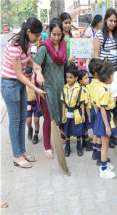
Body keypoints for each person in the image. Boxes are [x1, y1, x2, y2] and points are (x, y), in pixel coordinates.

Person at [1, 17, 46, 168]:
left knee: (21, 119)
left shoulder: (27, 43)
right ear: (28, 32)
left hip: (19, 84)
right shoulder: (15, 45)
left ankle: (22, 151)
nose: (37, 38)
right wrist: (37, 89)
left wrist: (36, 67)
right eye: (36, 35)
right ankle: (16, 156)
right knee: (14, 121)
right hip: (10, 85)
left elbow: (28, 61)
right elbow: (19, 74)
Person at [34, 18, 69, 159]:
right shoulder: (43, 47)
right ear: (49, 32)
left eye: (59, 34)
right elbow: (36, 65)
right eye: (54, 34)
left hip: (60, 87)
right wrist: (38, 73)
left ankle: (61, 137)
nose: (56, 38)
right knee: (48, 118)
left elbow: (65, 66)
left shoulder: (63, 46)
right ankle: (47, 147)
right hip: (47, 88)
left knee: (61, 115)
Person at [94, 60, 117, 179]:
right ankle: (103, 169)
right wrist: (107, 126)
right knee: (105, 144)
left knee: (105, 144)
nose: (113, 77)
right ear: (107, 77)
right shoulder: (105, 90)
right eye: (112, 75)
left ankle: (104, 164)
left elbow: (95, 104)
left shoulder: (101, 87)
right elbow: (102, 108)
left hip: (102, 118)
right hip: (105, 118)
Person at [61, 64, 85, 157]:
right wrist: (63, 115)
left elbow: (82, 102)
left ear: (76, 77)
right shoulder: (65, 87)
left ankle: (79, 146)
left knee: (78, 131)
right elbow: (63, 102)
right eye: (67, 77)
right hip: (67, 112)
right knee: (67, 131)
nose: (68, 79)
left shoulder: (79, 88)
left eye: (70, 77)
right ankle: (67, 147)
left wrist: (83, 114)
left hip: (76, 112)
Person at [25, 66, 42, 144]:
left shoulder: (34, 80)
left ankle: (36, 135)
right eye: (26, 76)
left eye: (29, 75)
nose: (28, 77)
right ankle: (30, 129)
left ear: (32, 73)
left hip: (35, 103)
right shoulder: (23, 81)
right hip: (27, 104)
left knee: (36, 120)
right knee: (28, 121)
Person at [78, 70, 93, 151]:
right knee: (85, 129)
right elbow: (85, 104)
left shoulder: (85, 88)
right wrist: (88, 115)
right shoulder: (83, 90)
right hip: (86, 111)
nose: (88, 79)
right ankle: (88, 145)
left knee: (85, 128)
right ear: (80, 81)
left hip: (86, 111)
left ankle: (84, 143)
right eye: (85, 78)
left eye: (88, 77)